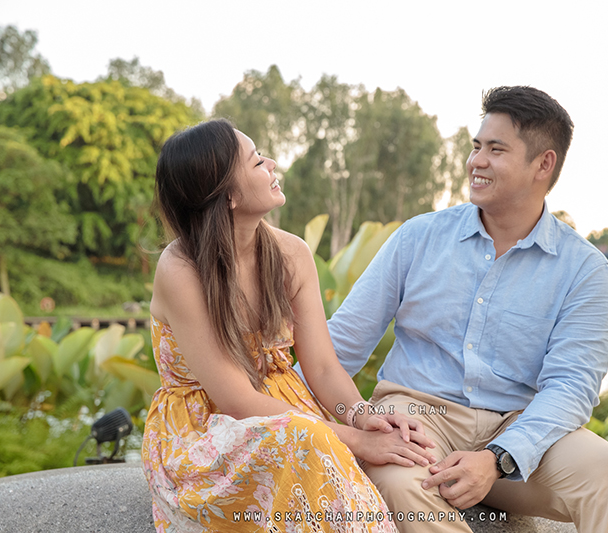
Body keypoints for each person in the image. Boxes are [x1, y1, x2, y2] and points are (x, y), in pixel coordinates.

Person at [324, 87, 608, 533]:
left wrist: (498, 458)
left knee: (607, 469)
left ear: (544, 164)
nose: (476, 161)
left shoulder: (584, 268)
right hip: (419, 420)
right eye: (476, 147)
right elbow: (339, 346)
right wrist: (276, 413)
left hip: (519, 429)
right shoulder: (418, 238)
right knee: (408, 489)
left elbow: (571, 385)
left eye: (496, 150)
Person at [141, 119, 436, 533]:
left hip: (294, 417)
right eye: (258, 160)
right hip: (207, 431)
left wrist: (361, 416)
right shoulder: (180, 271)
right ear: (228, 195)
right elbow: (237, 401)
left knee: (314, 444)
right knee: (310, 443)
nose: (273, 164)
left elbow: (322, 367)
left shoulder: (291, 253)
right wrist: (355, 440)